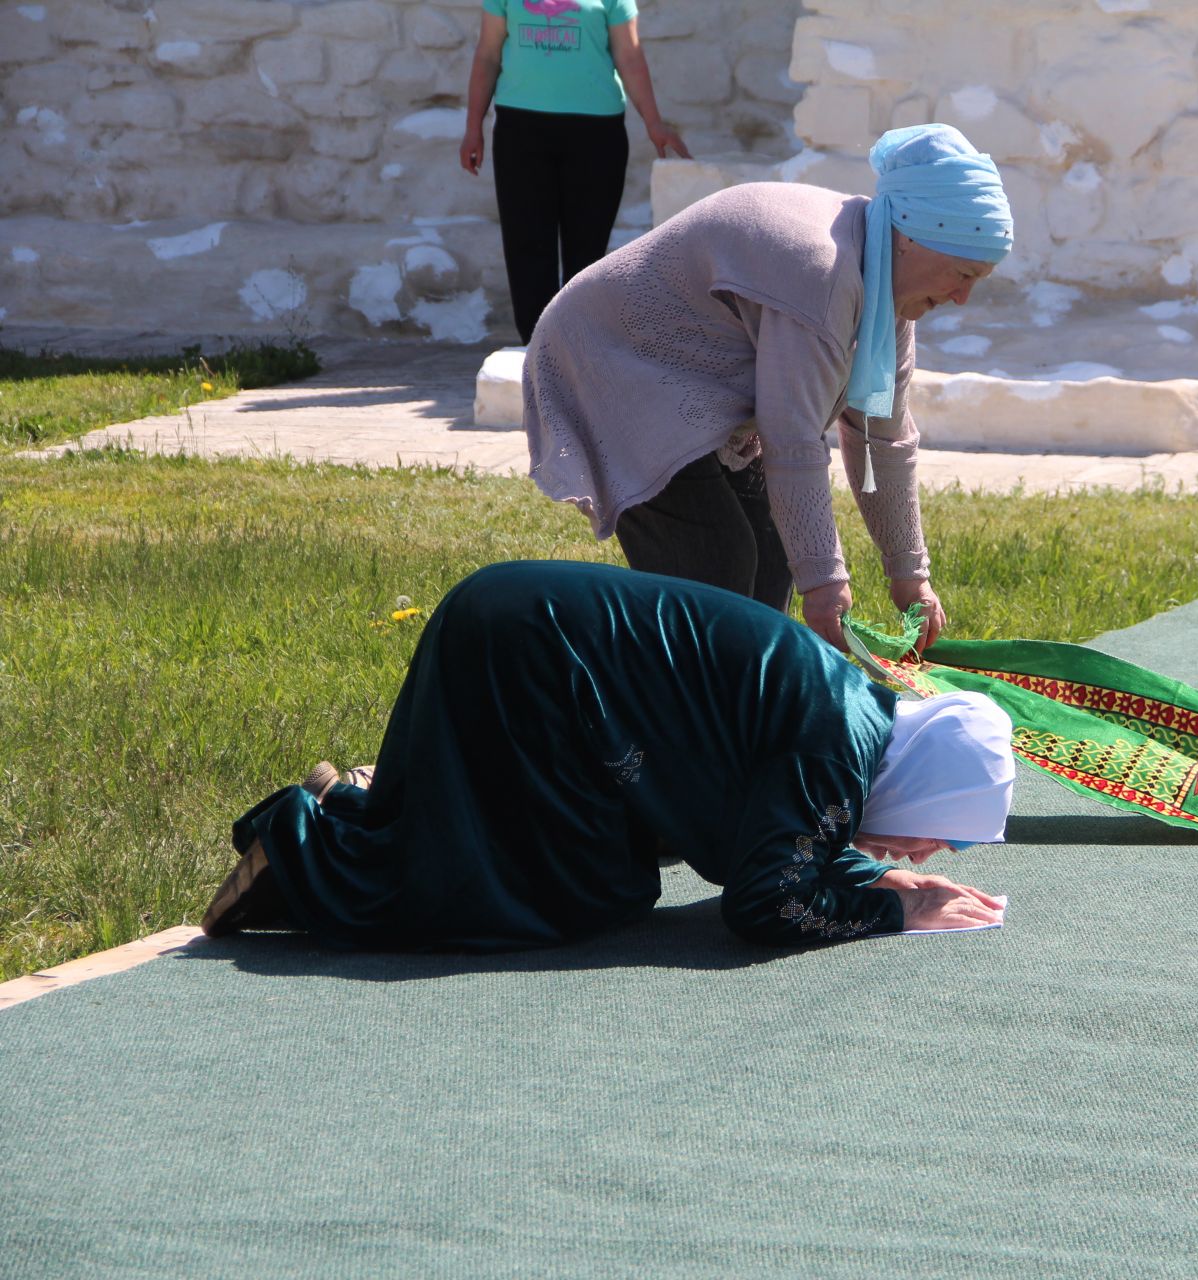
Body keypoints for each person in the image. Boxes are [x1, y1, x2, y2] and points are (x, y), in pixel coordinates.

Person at [202, 560, 1015, 951]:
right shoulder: (837, 749)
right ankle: (303, 846)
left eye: (946, 848)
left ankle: (367, 807)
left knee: (577, 865)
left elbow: (776, 845)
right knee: (566, 900)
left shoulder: (855, 719)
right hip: (526, 656)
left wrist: (867, 873)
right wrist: (893, 906)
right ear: (921, 782)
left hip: (520, 631)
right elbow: (766, 905)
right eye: (939, 830)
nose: (922, 849)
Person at [521, 123, 1014, 654]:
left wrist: (909, 575)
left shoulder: (886, 289)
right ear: (912, 237)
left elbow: (882, 441)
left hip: (689, 376)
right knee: (715, 562)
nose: (963, 297)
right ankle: (664, 710)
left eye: (977, 280)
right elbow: (792, 438)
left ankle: (743, 713)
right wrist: (825, 583)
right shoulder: (823, 274)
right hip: (608, 356)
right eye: (963, 273)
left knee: (771, 554)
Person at [459, 0, 692, 345]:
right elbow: (488, 55)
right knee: (527, 246)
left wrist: (654, 122)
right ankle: (539, 349)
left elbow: (629, 56)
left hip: (596, 132)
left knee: (586, 250)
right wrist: (473, 126)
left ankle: (580, 349)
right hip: (521, 129)